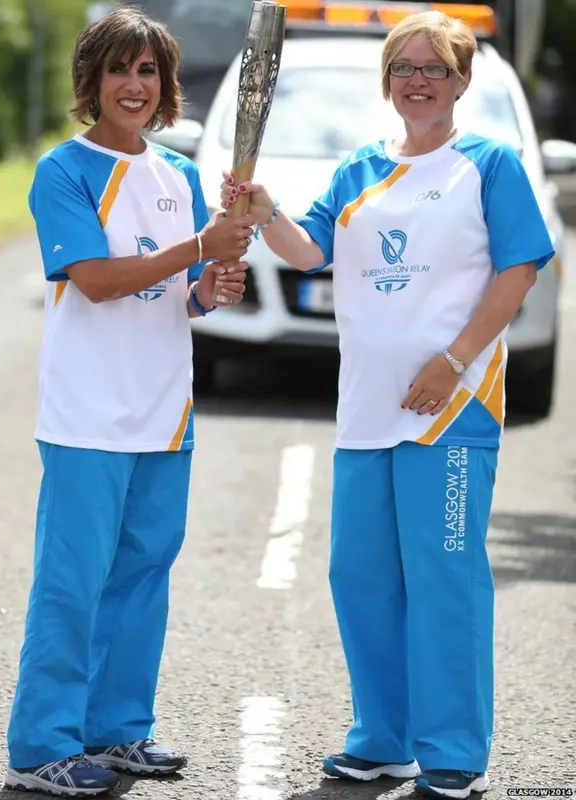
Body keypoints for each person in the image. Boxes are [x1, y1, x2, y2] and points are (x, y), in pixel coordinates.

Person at [220, 11, 554, 799]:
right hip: (366, 409)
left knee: (444, 578)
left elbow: (520, 270)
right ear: (387, 80)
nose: (416, 80)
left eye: (433, 68)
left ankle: (451, 755)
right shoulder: (361, 167)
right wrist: (262, 210)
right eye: (403, 66)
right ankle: (384, 740)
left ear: (461, 81)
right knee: (360, 576)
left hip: (451, 410)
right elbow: (309, 250)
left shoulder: (489, 165)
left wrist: (453, 361)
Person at [5, 7, 255, 797]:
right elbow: (98, 280)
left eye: (148, 71)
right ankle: (42, 743)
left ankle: (116, 730)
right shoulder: (64, 171)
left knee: (143, 576)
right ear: (93, 80)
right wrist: (199, 249)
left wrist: (211, 286)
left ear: (165, 84)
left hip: (164, 412)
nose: (134, 85)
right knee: (72, 583)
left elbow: (178, 295)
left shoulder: (178, 177)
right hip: (87, 416)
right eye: (119, 69)